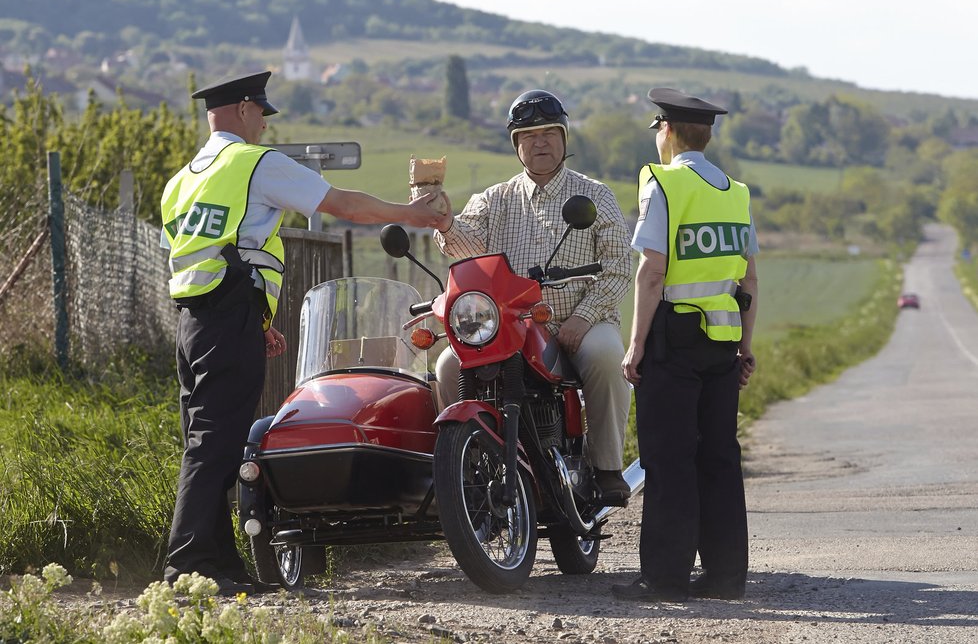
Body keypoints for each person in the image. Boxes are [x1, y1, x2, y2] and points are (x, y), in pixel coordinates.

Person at [160, 71, 446, 595]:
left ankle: (218, 565)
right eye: (262, 116)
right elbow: (344, 205)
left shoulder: (180, 180)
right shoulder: (253, 163)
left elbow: (203, 256)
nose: (264, 128)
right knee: (214, 444)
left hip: (193, 322)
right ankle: (188, 566)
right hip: (229, 320)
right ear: (245, 109)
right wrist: (410, 214)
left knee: (208, 444)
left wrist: (259, 320)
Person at [431, 89, 633, 506]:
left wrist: (584, 317)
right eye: (529, 135)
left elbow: (618, 267)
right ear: (516, 145)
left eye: (548, 133)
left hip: (581, 321)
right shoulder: (494, 199)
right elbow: (461, 246)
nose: (540, 142)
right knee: (448, 365)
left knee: (606, 357)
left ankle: (607, 467)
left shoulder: (596, 195)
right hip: (510, 328)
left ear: (564, 137)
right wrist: (445, 220)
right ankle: (467, 467)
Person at [613, 88, 759, 603]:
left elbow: (652, 273)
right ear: (708, 135)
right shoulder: (736, 193)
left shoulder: (663, 185)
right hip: (722, 343)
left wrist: (634, 346)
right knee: (719, 457)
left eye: (657, 129)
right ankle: (725, 577)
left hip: (673, 343)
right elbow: (751, 280)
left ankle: (665, 577)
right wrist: (744, 347)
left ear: (668, 132)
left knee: (669, 457)